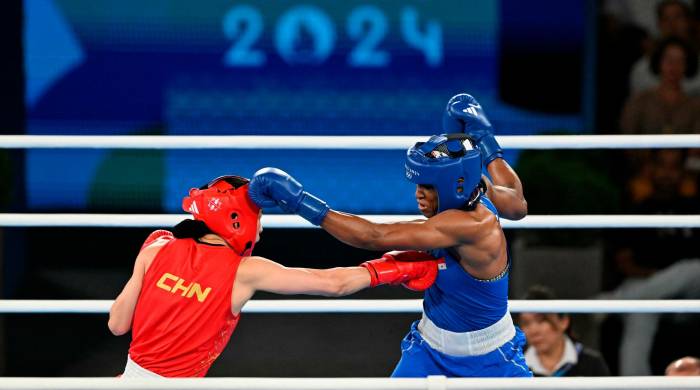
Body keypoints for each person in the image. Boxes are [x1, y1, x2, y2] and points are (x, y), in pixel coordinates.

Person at [249, 93, 532, 377]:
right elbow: (517, 203)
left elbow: (373, 236)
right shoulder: (476, 186)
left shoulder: (471, 225)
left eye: (429, 186)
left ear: (455, 185)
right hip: (429, 348)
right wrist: (484, 138)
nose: (418, 194)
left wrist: (301, 203)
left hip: (493, 359)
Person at [109, 175, 440, 377]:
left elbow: (117, 324)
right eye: (260, 216)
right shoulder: (245, 271)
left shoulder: (157, 247)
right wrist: (390, 269)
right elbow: (331, 283)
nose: (262, 227)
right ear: (237, 219)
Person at [518, 285, 610, 377]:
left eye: (541, 320)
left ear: (564, 321)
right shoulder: (516, 366)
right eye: (526, 323)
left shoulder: (592, 364)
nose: (534, 331)